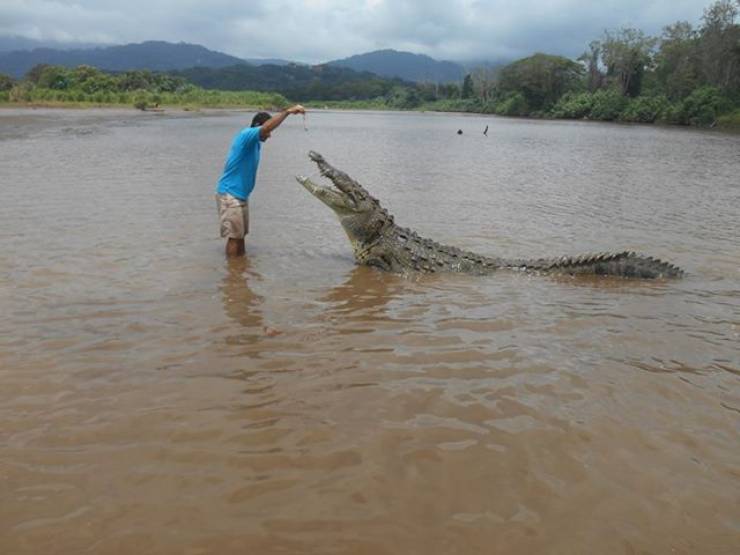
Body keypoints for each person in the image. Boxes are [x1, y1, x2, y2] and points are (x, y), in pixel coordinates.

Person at [215, 104, 306, 256]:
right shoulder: (247, 134)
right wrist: (287, 112)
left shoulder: (255, 143)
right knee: (234, 238)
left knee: (241, 236)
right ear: (258, 126)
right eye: (268, 131)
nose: (269, 135)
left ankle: (240, 272)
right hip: (229, 195)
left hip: (239, 196)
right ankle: (232, 275)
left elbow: (265, 129)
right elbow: (266, 128)